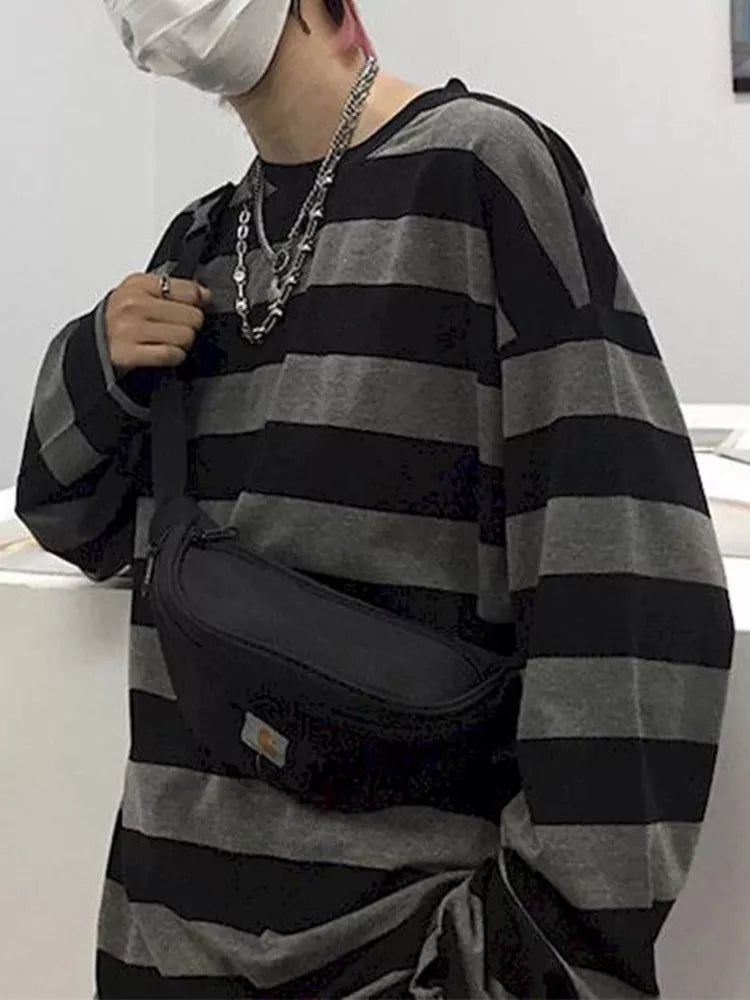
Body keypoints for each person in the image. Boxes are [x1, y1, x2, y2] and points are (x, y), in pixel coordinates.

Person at [15, 1, 736, 997]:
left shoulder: (478, 174)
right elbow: (70, 519)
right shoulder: (199, 245)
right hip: (161, 946)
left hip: (401, 953)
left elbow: (632, 589)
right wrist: (96, 358)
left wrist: (531, 961)